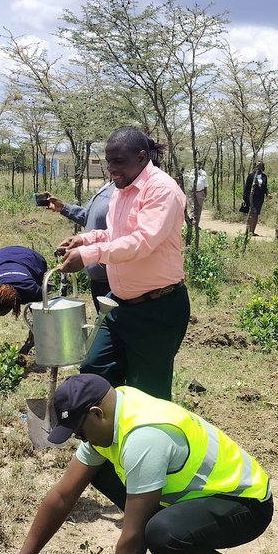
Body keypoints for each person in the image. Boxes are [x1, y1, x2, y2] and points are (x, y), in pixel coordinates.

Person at [0, 374, 273, 554]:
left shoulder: (144, 437)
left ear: (96, 413)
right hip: (197, 497)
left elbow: (133, 536)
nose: (83, 441)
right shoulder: (113, 411)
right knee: (100, 474)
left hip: (245, 504)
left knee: (160, 533)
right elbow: (62, 495)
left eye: (81, 433)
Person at [57, 127, 188, 401]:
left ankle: (141, 439)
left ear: (141, 157)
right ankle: (109, 435)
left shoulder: (162, 189)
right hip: (118, 305)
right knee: (95, 369)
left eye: (118, 161)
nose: (111, 169)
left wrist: (90, 256)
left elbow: (143, 241)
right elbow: (115, 235)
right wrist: (85, 240)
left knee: (148, 394)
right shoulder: (122, 189)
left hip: (157, 309)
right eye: (108, 162)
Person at [46, 182, 114, 300]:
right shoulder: (109, 185)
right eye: (109, 162)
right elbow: (90, 218)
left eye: (117, 162)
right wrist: (64, 208)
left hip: (113, 281)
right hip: (98, 279)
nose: (111, 166)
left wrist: (86, 253)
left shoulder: (128, 188)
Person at [243, 162, 269, 237]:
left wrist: (268, 194)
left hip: (260, 198)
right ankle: (248, 231)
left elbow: (265, 188)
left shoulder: (264, 176)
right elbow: (246, 188)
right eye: (257, 166)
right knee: (251, 213)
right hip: (251, 197)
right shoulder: (251, 176)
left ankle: (252, 231)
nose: (259, 167)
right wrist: (244, 199)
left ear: (263, 167)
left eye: (260, 166)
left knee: (256, 214)